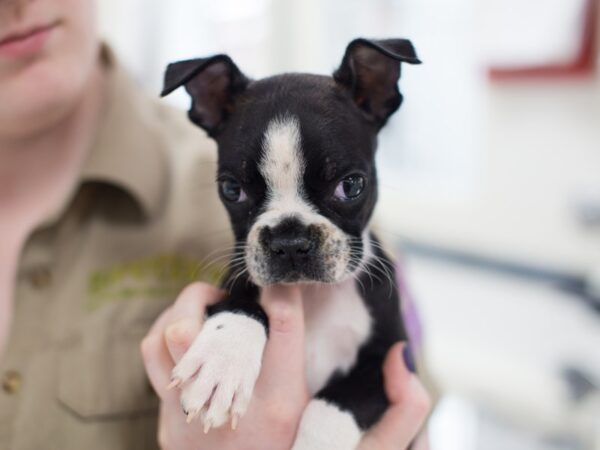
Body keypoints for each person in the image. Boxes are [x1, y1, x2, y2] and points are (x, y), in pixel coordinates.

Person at [0, 0, 430, 449]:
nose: (290, 244)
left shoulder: (382, 269)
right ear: (208, 105)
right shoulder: (206, 216)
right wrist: (234, 329)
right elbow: (237, 306)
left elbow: (409, 404)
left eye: (347, 188)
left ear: (377, 92)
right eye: (239, 193)